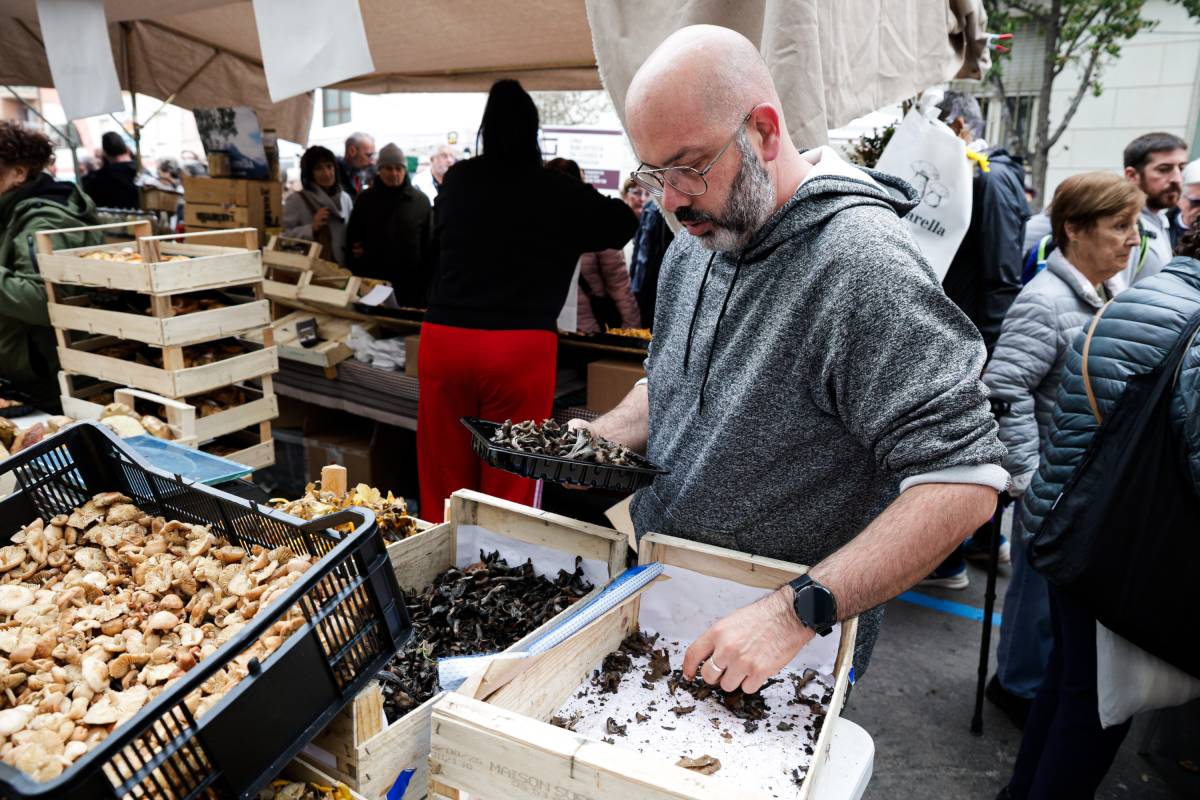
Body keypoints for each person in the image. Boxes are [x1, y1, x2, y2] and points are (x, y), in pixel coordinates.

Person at [574, 25, 1006, 684]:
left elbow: (964, 483)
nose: (672, 199)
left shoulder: (863, 266)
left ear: (766, 132)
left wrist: (792, 614)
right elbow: (670, 385)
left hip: (783, 648)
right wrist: (600, 442)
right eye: (654, 173)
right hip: (660, 596)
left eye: (690, 167)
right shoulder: (696, 241)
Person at [999, 211, 1200, 800]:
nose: (1131, 240)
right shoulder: (1186, 314)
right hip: (1119, 541)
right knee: (1094, 710)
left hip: (1079, 527)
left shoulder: (1147, 294)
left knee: (1070, 686)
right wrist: (1030, 478)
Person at [418, 79, 637, 522]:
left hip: (445, 339)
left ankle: (431, 568)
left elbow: (430, 248)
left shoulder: (460, 179)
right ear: (534, 132)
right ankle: (496, 569)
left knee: (443, 474)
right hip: (518, 348)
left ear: (487, 128)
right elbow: (618, 224)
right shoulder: (555, 189)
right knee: (512, 475)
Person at [982, 172, 1138, 729]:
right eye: (1119, 225)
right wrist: (1027, 475)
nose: (1133, 239)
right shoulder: (1044, 301)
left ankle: (1033, 682)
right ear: (1073, 229)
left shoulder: (1111, 294)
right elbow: (1004, 388)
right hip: (1051, 483)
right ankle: (1017, 688)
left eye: (1135, 225)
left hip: (1081, 483)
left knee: (1055, 599)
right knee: (1035, 600)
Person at [921, 91, 1031, 589]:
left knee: (952, 450)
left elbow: (1001, 273)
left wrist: (984, 351)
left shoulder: (988, 178)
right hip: (959, 331)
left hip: (967, 339)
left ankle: (947, 557)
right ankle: (976, 545)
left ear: (959, 125)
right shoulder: (980, 176)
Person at [0, 122, 104, 407]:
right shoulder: (8, 211)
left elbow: (41, 299)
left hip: (46, 380)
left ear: (18, 173)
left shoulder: (44, 220)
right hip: (19, 371)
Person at [546, 158, 642, 333]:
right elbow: (619, 285)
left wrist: (630, 329)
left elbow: (618, 283)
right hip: (576, 328)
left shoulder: (535, 224)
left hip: (562, 326)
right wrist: (631, 329)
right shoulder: (595, 224)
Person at [345, 144, 431, 304]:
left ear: (405, 169)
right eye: (388, 168)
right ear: (379, 170)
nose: (394, 173)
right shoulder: (365, 200)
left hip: (411, 283)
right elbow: (353, 238)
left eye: (399, 168)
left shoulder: (420, 202)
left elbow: (429, 245)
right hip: (374, 281)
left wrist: (427, 283)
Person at [1122, 131, 1187, 285]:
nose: (1177, 179)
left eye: (1182, 168)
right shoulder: (1123, 226)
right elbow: (1113, 298)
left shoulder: (1160, 219)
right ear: (1132, 175)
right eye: (1164, 169)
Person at [282, 145, 354, 266]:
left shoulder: (345, 198)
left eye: (329, 166)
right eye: (318, 168)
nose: (326, 173)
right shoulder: (297, 200)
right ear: (309, 173)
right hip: (313, 272)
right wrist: (311, 228)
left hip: (344, 271)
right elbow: (283, 239)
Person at [628, 198, 673, 329]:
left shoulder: (652, 207)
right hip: (656, 285)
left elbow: (640, 255)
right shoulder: (655, 208)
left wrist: (635, 287)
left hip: (648, 285)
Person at [82, 131, 139, 209]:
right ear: (126, 149)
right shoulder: (141, 172)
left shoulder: (99, 178)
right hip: (143, 218)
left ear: (105, 153)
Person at [338, 132, 376, 198]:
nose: (372, 162)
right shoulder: (335, 176)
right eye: (368, 155)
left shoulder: (367, 173)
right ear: (352, 151)